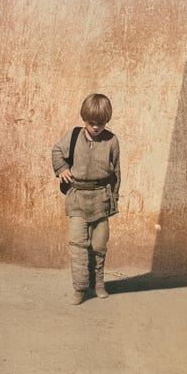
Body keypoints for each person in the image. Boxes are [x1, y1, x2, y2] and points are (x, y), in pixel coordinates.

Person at [52, 93, 121, 305]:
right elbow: (57, 151)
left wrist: (113, 200)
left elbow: (116, 173)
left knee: (99, 245)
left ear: (106, 121)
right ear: (84, 119)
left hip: (100, 199)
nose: (96, 127)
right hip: (77, 198)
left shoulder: (112, 141)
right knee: (77, 245)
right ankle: (79, 288)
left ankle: (98, 284)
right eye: (92, 123)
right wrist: (62, 168)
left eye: (101, 123)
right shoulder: (73, 136)